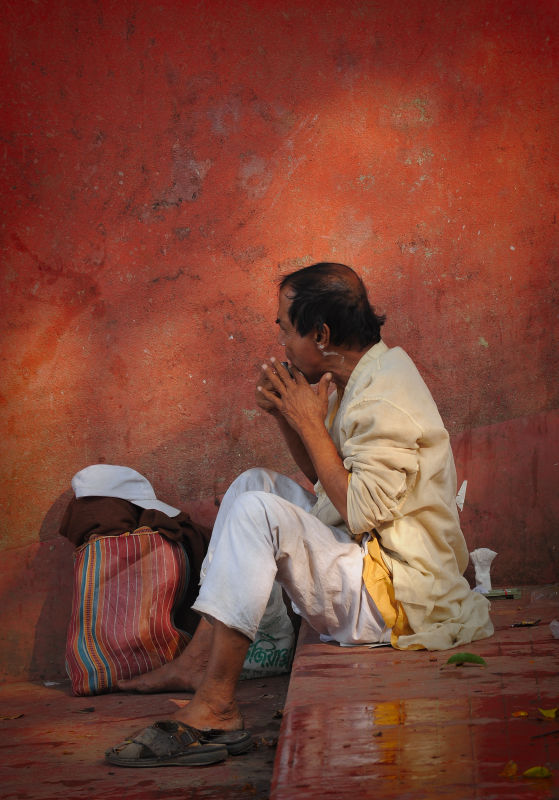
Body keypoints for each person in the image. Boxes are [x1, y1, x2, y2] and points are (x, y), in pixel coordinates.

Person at [107, 262, 493, 765]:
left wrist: (309, 421)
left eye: (287, 329)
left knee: (254, 512)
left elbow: (359, 511)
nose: (283, 343)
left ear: (322, 333)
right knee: (253, 485)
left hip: (394, 594)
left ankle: (218, 706)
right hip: (365, 557)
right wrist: (291, 420)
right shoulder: (362, 373)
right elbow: (329, 483)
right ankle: (198, 661)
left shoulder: (384, 399)